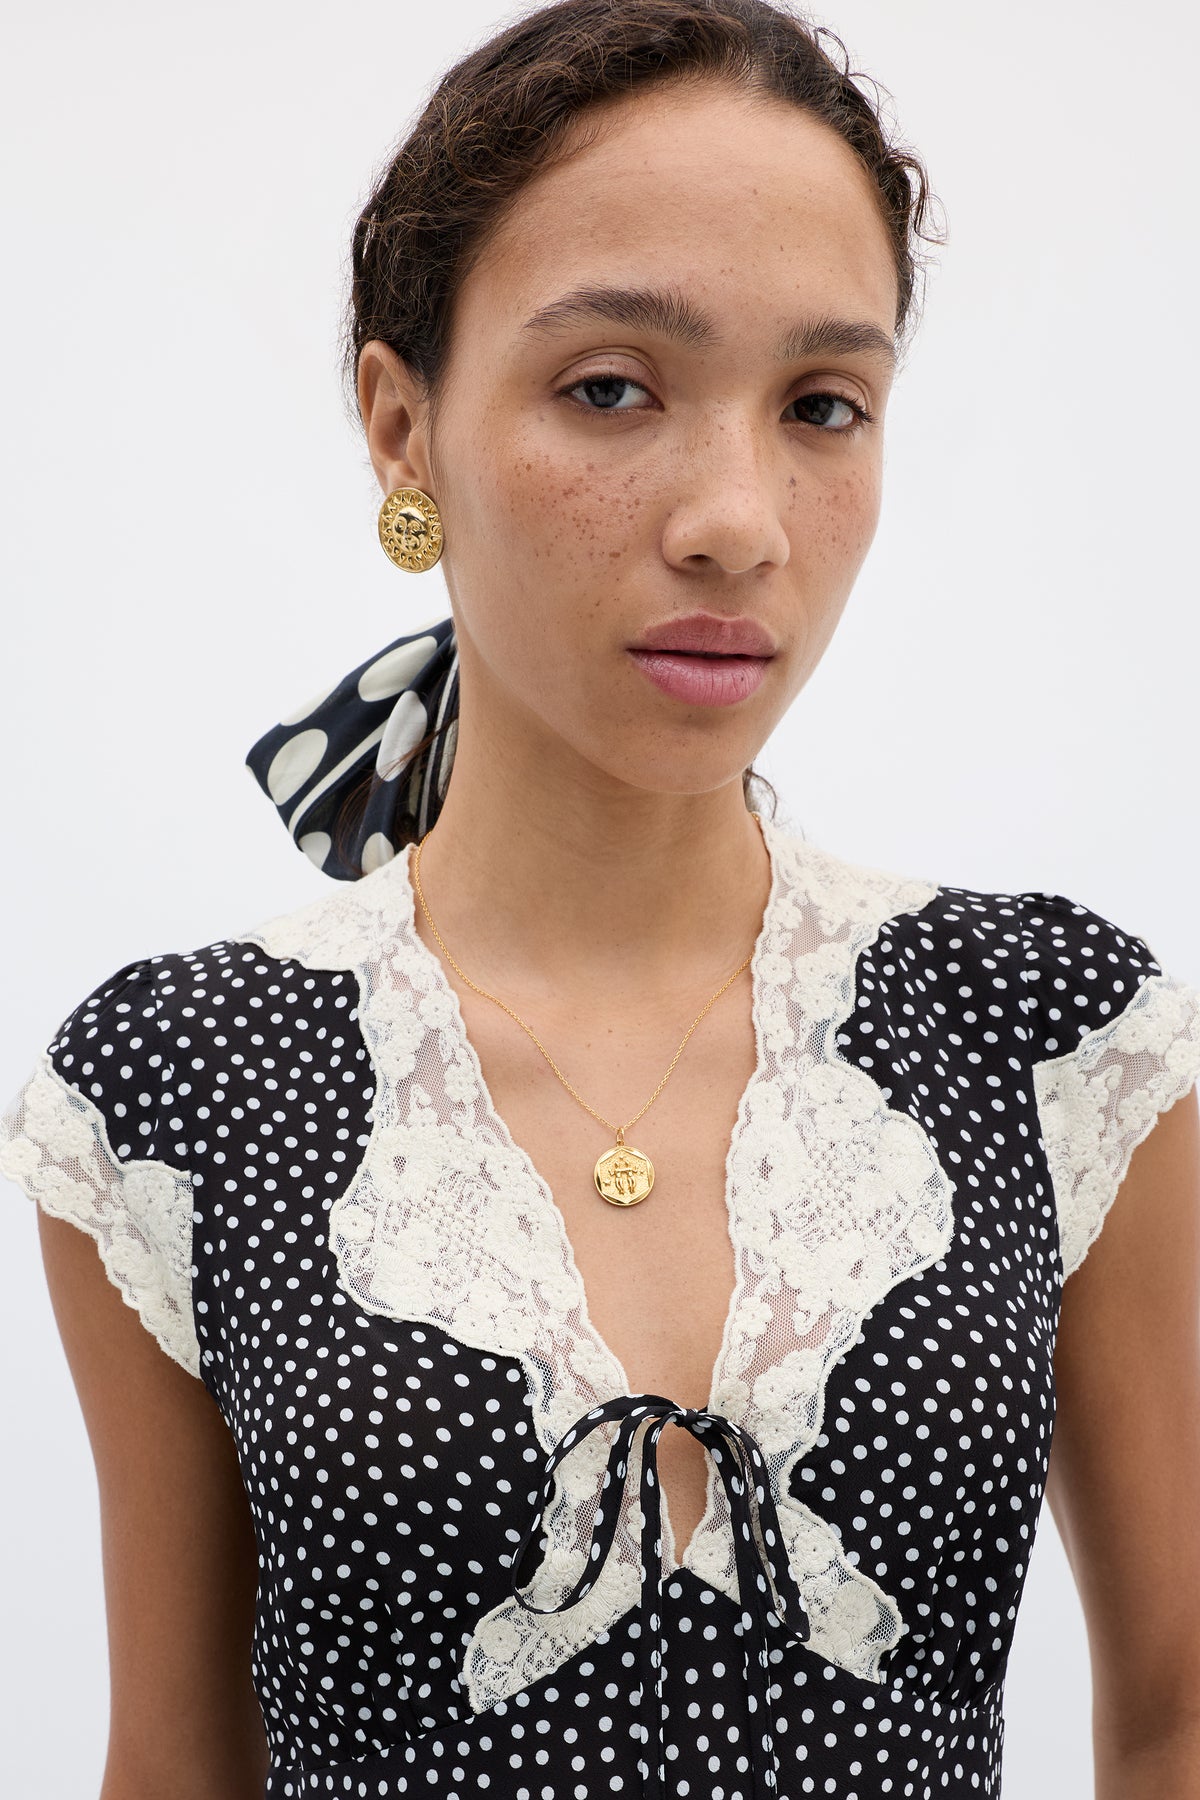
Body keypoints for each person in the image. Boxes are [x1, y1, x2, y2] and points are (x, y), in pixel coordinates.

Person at [3, 2, 1199, 1796]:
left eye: (822, 405)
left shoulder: (1051, 1033)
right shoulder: (181, 1083)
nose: (738, 518)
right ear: (401, 425)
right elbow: (178, 1761)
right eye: (612, 386)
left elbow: (1180, 1706)